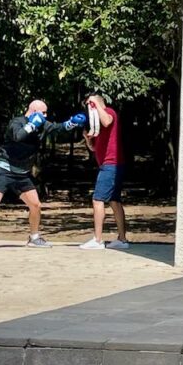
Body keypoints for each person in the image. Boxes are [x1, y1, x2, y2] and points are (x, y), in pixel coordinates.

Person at [0, 100, 87, 252]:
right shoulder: (16, 122)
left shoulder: (43, 124)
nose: (46, 116)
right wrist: (32, 125)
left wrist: (72, 123)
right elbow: (18, 136)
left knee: (35, 204)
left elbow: (58, 128)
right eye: (43, 113)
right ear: (34, 111)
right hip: (6, 168)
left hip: (23, 173)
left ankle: (34, 237)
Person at [79, 92, 128, 250]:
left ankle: (98, 240)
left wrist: (96, 103)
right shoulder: (97, 123)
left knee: (97, 199)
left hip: (111, 164)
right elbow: (94, 148)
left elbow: (107, 121)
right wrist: (88, 139)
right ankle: (122, 239)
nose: (89, 110)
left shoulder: (109, 113)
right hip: (110, 164)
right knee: (114, 201)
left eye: (89, 105)